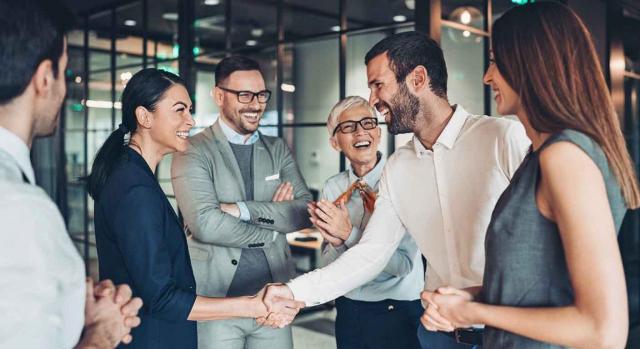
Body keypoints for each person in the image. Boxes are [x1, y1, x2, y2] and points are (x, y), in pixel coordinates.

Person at [263, 31, 530, 348]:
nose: (373, 101)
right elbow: (371, 254)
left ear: (418, 78)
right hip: (437, 337)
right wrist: (295, 292)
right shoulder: (399, 167)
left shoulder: (503, 138)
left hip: (510, 334)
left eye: (378, 84)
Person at [422, 2, 640, 348]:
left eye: (495, 61)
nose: (487, 76)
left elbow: (603, 332)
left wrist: (475, 313)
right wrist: (471, 299)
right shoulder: (541, 154)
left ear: (531, 64)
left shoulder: (565, 156)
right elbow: (544, 285)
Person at [88, 68, 303, 349]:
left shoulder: (134, 176)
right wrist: (253, 306)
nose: (190, 121)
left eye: (190, 110)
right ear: (144, 117)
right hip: (152, 339)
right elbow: (162, 297)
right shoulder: (135, 189)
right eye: (180, 110)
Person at [0, 0, 143, 348]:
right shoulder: (21, 209)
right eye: (64, 72)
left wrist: (69, 311)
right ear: (45, 78)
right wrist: (101, 335)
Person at [171, 55, 312, 349]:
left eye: (261, 94)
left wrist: (241, 210)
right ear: (219, 96)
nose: (256, 104)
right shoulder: (192, 151)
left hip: (273, 301)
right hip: (216, 300)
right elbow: (206, 225)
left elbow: (303, 212)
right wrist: (274, 226)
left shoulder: (277, 148)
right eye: (244, 95)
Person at [310, 95, 424, 349]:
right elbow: (330, 262)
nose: (361, 131)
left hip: (398, 312)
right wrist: (336, 241)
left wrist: (348, 234)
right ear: (334, 142)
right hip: (349, 309)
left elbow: (403, 265)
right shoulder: (334, 187)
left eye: (368, 123)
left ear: (379, 132)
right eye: (349, 127)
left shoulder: (404, 180)